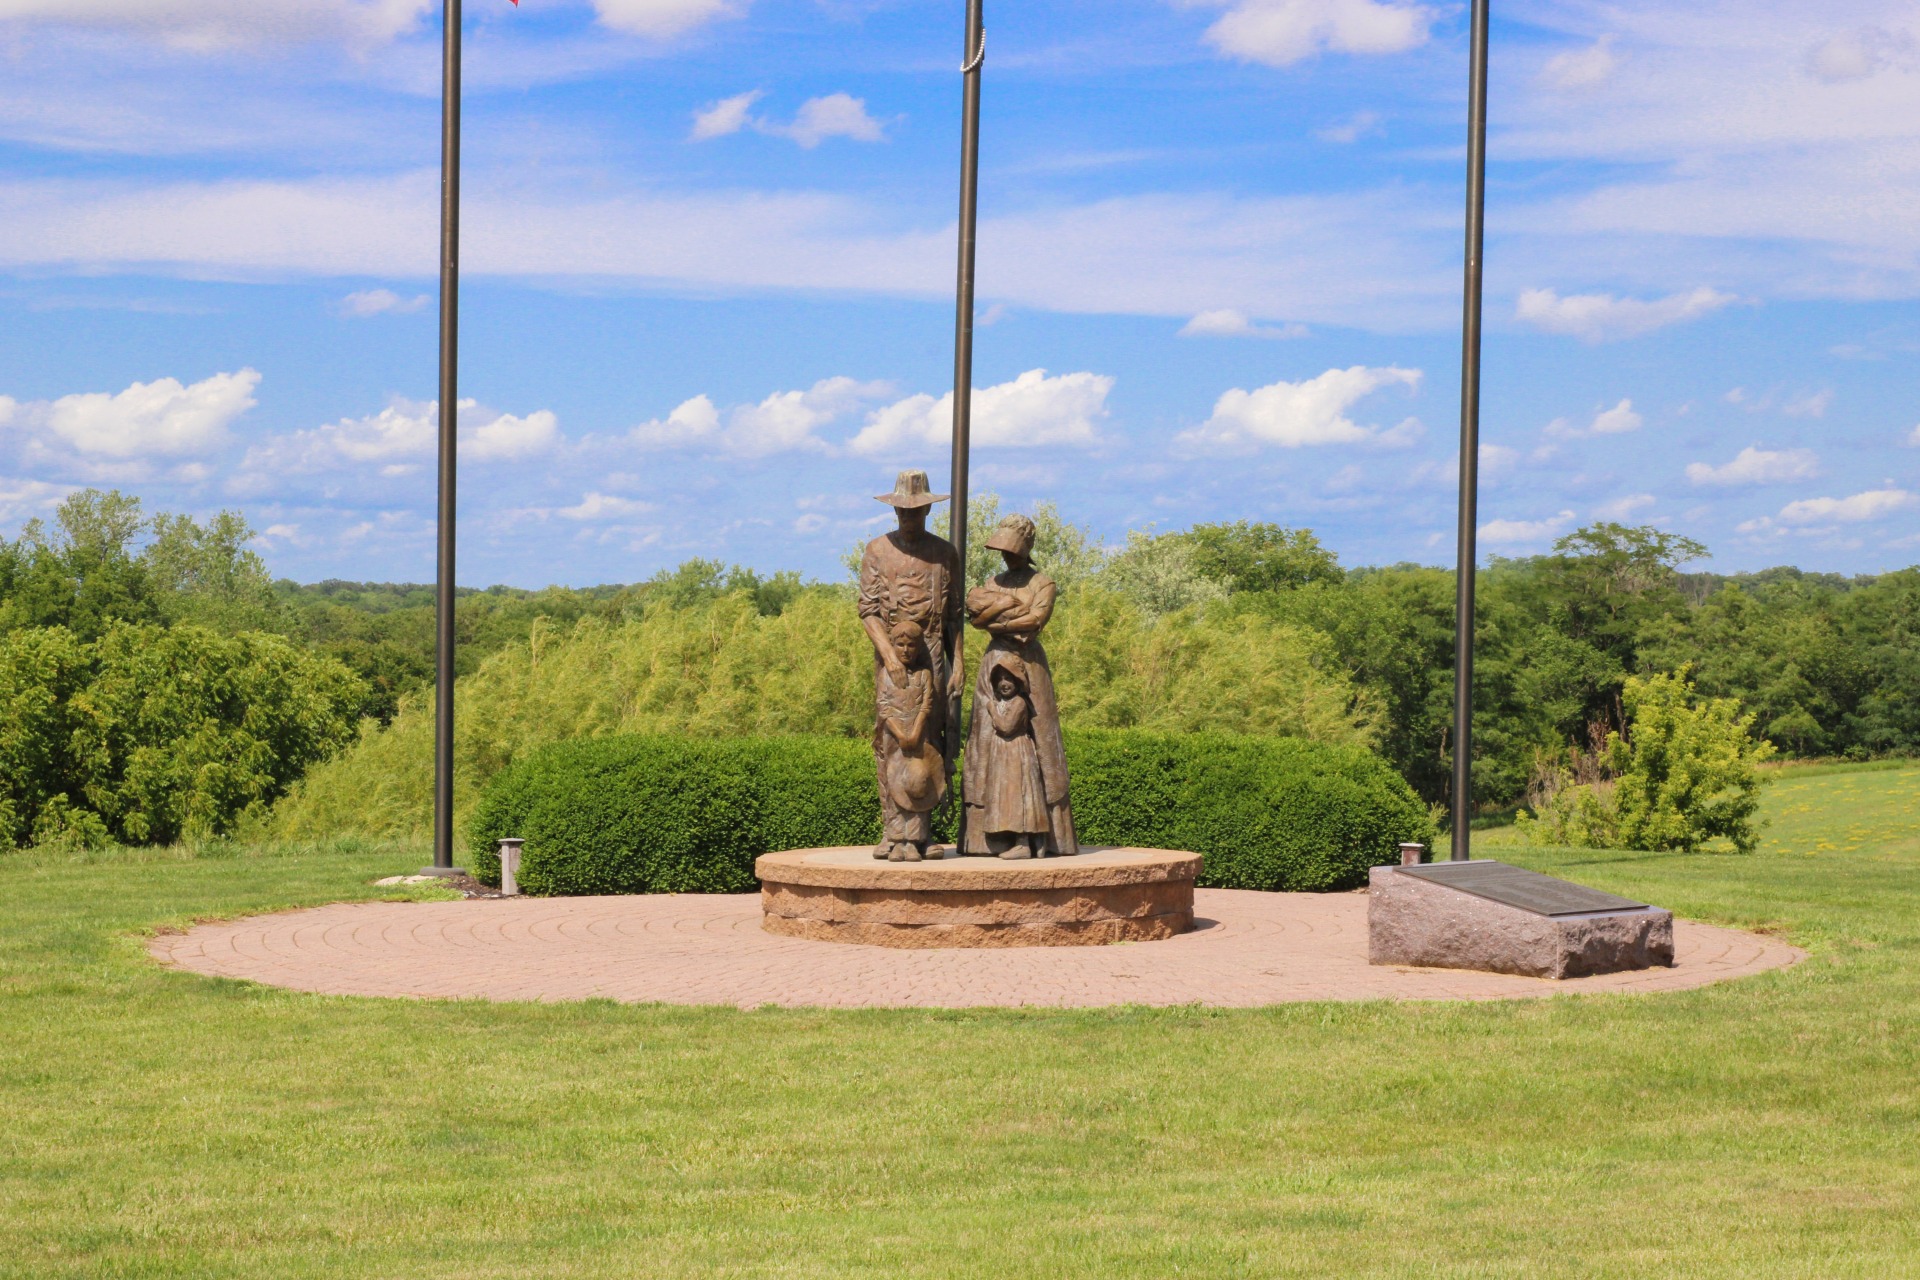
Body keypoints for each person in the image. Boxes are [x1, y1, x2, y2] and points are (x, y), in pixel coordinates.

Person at [858, 470, 964, 860]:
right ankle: (892, 831)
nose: (908, 517)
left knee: (929, 740)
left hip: (933, 654)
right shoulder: (877, 551)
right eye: (903, 510)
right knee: (891, 738)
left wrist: (959, 663)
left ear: (926, 511)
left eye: (916, 511)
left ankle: (921, 833)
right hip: (894, 656)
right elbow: (867, 610)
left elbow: (954, 616)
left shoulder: (944, 553)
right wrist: (888, 655)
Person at [962, 513, 1078, 857]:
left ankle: (1042, 837)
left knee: (1039, 738)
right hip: (994, 664)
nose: (1006, 556)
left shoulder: (1043, 583)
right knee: (985, 739)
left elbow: (1035, 621)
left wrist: (998, 619)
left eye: (1012, 549)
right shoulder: (993, 581)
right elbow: (976, 619)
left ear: (1026, 549)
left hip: (1029, 664)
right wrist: (1006, 619)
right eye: (1002, 549)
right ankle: (985, 836)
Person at [873, 619, 946, 861]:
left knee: (918, 784)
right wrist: (899, 733)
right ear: (892, 645)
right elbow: (883, 707)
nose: (905, 650)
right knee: (895, 785)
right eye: (900, 645)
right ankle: (896, 841)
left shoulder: (924, 675)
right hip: (893, 737)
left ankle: (914, 840)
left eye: (911, 645)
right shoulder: (886, 675)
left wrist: (914, 733)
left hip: (919, 736)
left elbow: (926, 705)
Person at [975, 656, 1050, 859]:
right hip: (1002, 754)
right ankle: (1008, 838)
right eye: (1000, 679)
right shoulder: (1002, 702)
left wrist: (991, 709)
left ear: (1018, 682)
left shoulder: (1019, 703)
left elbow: (1006, 727)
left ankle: (1024, 842)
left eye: (1009, 679)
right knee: (1006, 796)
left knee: (1019, 795)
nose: (1004, 684)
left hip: (1017, 752)